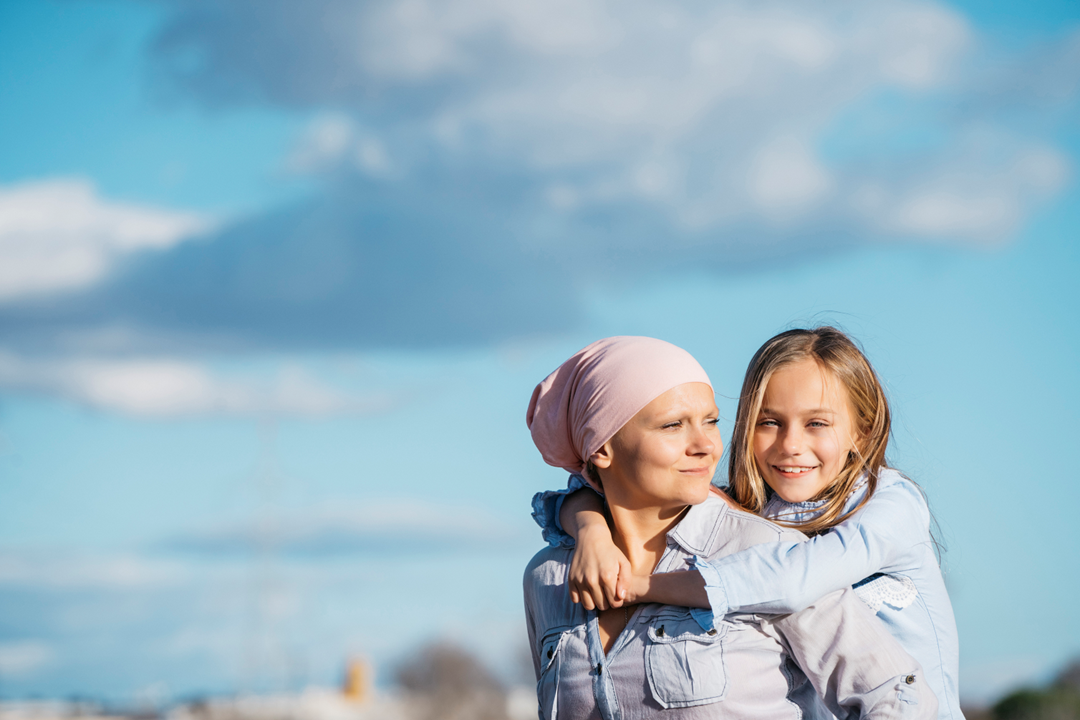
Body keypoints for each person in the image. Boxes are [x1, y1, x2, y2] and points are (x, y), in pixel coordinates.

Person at [537, 328, 963, 720]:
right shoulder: (756, 510)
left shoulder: (890, 502)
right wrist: (591, 530)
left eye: (817, 423)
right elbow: (591, 486)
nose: (791, 445)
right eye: (769, 422)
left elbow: (794, 579)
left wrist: (642, 586)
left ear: (864, 433)